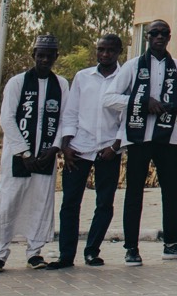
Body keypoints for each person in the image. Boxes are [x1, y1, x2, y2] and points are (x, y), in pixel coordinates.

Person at [106, 20, 177, 264]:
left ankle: (172, 243)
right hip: (138, 137)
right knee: (134, 192)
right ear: (147, 37)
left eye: (163, 33)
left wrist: (169, 108)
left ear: (169, 37)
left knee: (171, 191)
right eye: (154, 33)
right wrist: (141, 103)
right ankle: (131, 247)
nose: (159, 37)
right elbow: (109, 97)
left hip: (168, 138)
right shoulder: (133, 66)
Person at [0, 36, 65, 272]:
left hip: (46, 156)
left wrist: (54, 147)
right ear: (33, 54)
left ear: (56, 56)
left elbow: (66, 120)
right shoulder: (17, 83)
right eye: (40, 54)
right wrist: (24, 153)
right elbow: (7, 118)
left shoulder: (62, 84)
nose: (44, 59)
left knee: (40, 203)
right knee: (9, 203)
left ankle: (34, 253)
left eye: (49, 55)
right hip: (18, 158)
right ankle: (0, 254)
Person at [52, 33, 125, 268]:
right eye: (101, 49)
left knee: (104, 203)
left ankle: (92, 250)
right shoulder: (83, 77)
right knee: (70, 203)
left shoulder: (125, 78)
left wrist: (115, 146)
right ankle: (66, 255)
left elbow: (127, 119)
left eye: (110, 50)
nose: (105, 54)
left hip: (108, 150)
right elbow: (71, 112)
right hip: (79, 148)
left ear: (118, 52)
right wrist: (66, 145)